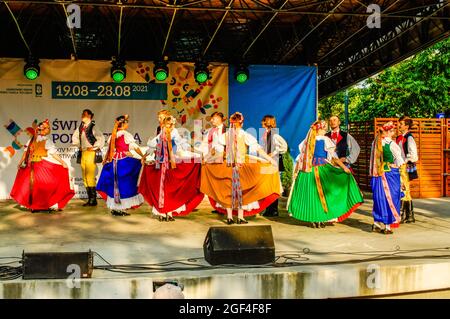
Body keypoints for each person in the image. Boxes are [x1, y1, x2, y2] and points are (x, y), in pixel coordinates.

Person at [200, 112, 281, 225]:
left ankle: (229, 217)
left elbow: (215, 150)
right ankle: (240, 217)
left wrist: (206, 158)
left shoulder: (226, 135)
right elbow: (258, 149)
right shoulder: (244, 135)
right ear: (241, 123)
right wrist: (271, 160)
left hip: (228, 166)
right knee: (241, 191)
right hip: (240, 167)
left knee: (228, 191)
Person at [287, 120, 363, 228]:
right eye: (324, 128)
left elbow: (301, 158)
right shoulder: (325, 140)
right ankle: (320, 219)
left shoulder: (307, 141)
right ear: (320, 129)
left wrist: (296, 172)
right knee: (325, 194)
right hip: (323, 169)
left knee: (312, 196)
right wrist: (344, 167)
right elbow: (334, 158)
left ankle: (314, 219)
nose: (325, 130)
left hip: (308, 170)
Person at [139, 115, 204, 221]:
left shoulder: (174, 133)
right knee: (162, 188)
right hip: (161, 165)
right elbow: (151, 146)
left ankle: (168, 212)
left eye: (173, 124)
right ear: (164, 124)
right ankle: (162, 213)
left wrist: (197, 152)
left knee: (169, 189)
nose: (172, 126)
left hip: (170, 164)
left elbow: (184, 145)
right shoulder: (161, 135)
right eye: (170, 124)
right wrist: (144, 156)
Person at [10, 119, 74, 212]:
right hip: (32, 165)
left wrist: (62, 162)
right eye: (42, 129)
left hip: (41, 165)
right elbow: (26, 152)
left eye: (44, 129)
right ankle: (35, 206)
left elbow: (53, 154)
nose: (42, 131)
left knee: (43, 186)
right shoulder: (32, 139)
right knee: (32, 187)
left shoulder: (46, 140)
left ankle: (42, 205)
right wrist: (20, 162)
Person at [96, 115, 146, 216]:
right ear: (123, 125)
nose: (128, 124)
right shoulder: (125, 134)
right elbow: (134, 146)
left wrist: (107, 159)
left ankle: (115, 208)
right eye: (127, 123)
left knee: (115, 184)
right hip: (123, 162)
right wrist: (142, 156)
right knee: (124, 185)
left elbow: (111, 149)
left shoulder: (113, 135)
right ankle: (120, 209)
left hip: (114, 161)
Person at [370, 121, 407, 234]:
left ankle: (376, 223)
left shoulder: (375, 142)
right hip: (390, 173)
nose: (394, 132)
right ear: (389, 132)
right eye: (392, 131)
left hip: (377, 174)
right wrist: (402, 177)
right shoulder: (391, 144)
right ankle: (387, 226)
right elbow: (399, 161)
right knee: (391, 197)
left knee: (379, 198)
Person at [72, 109, 105, 206]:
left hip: (90, 153)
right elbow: (75, 138)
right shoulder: (80, 127)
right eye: (82, 114)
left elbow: (100, 138)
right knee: (84, 175)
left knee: (89, 175)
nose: (83, 116)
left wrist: (94, 147)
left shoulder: (93, 126)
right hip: (83, 153)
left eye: (85, 114)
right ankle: (90, 199)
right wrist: (79, 146)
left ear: (90, 116)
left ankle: (93, 199)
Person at [260, 115, 288, 217]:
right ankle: (269, 208)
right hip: (267, 162)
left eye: (263, 121)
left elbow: (284, 146)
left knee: (273, 186)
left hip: (273, 162)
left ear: (266, 122)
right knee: (268, 186)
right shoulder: (265, 134)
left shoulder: (274, 135)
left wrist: (274, 153)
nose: (261, 123)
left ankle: (274, 210)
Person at [396, 116, 418, 223]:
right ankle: (409, 215)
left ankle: (403, 214)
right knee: (405, 189)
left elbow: (413, 155)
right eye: (399, 123)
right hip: (399, 166)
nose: (399, 125)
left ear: (407, 126)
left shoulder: (409, 137)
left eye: (401, 123)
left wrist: (404, 161)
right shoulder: (399, 137)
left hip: (405, 166)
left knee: (403, 188)